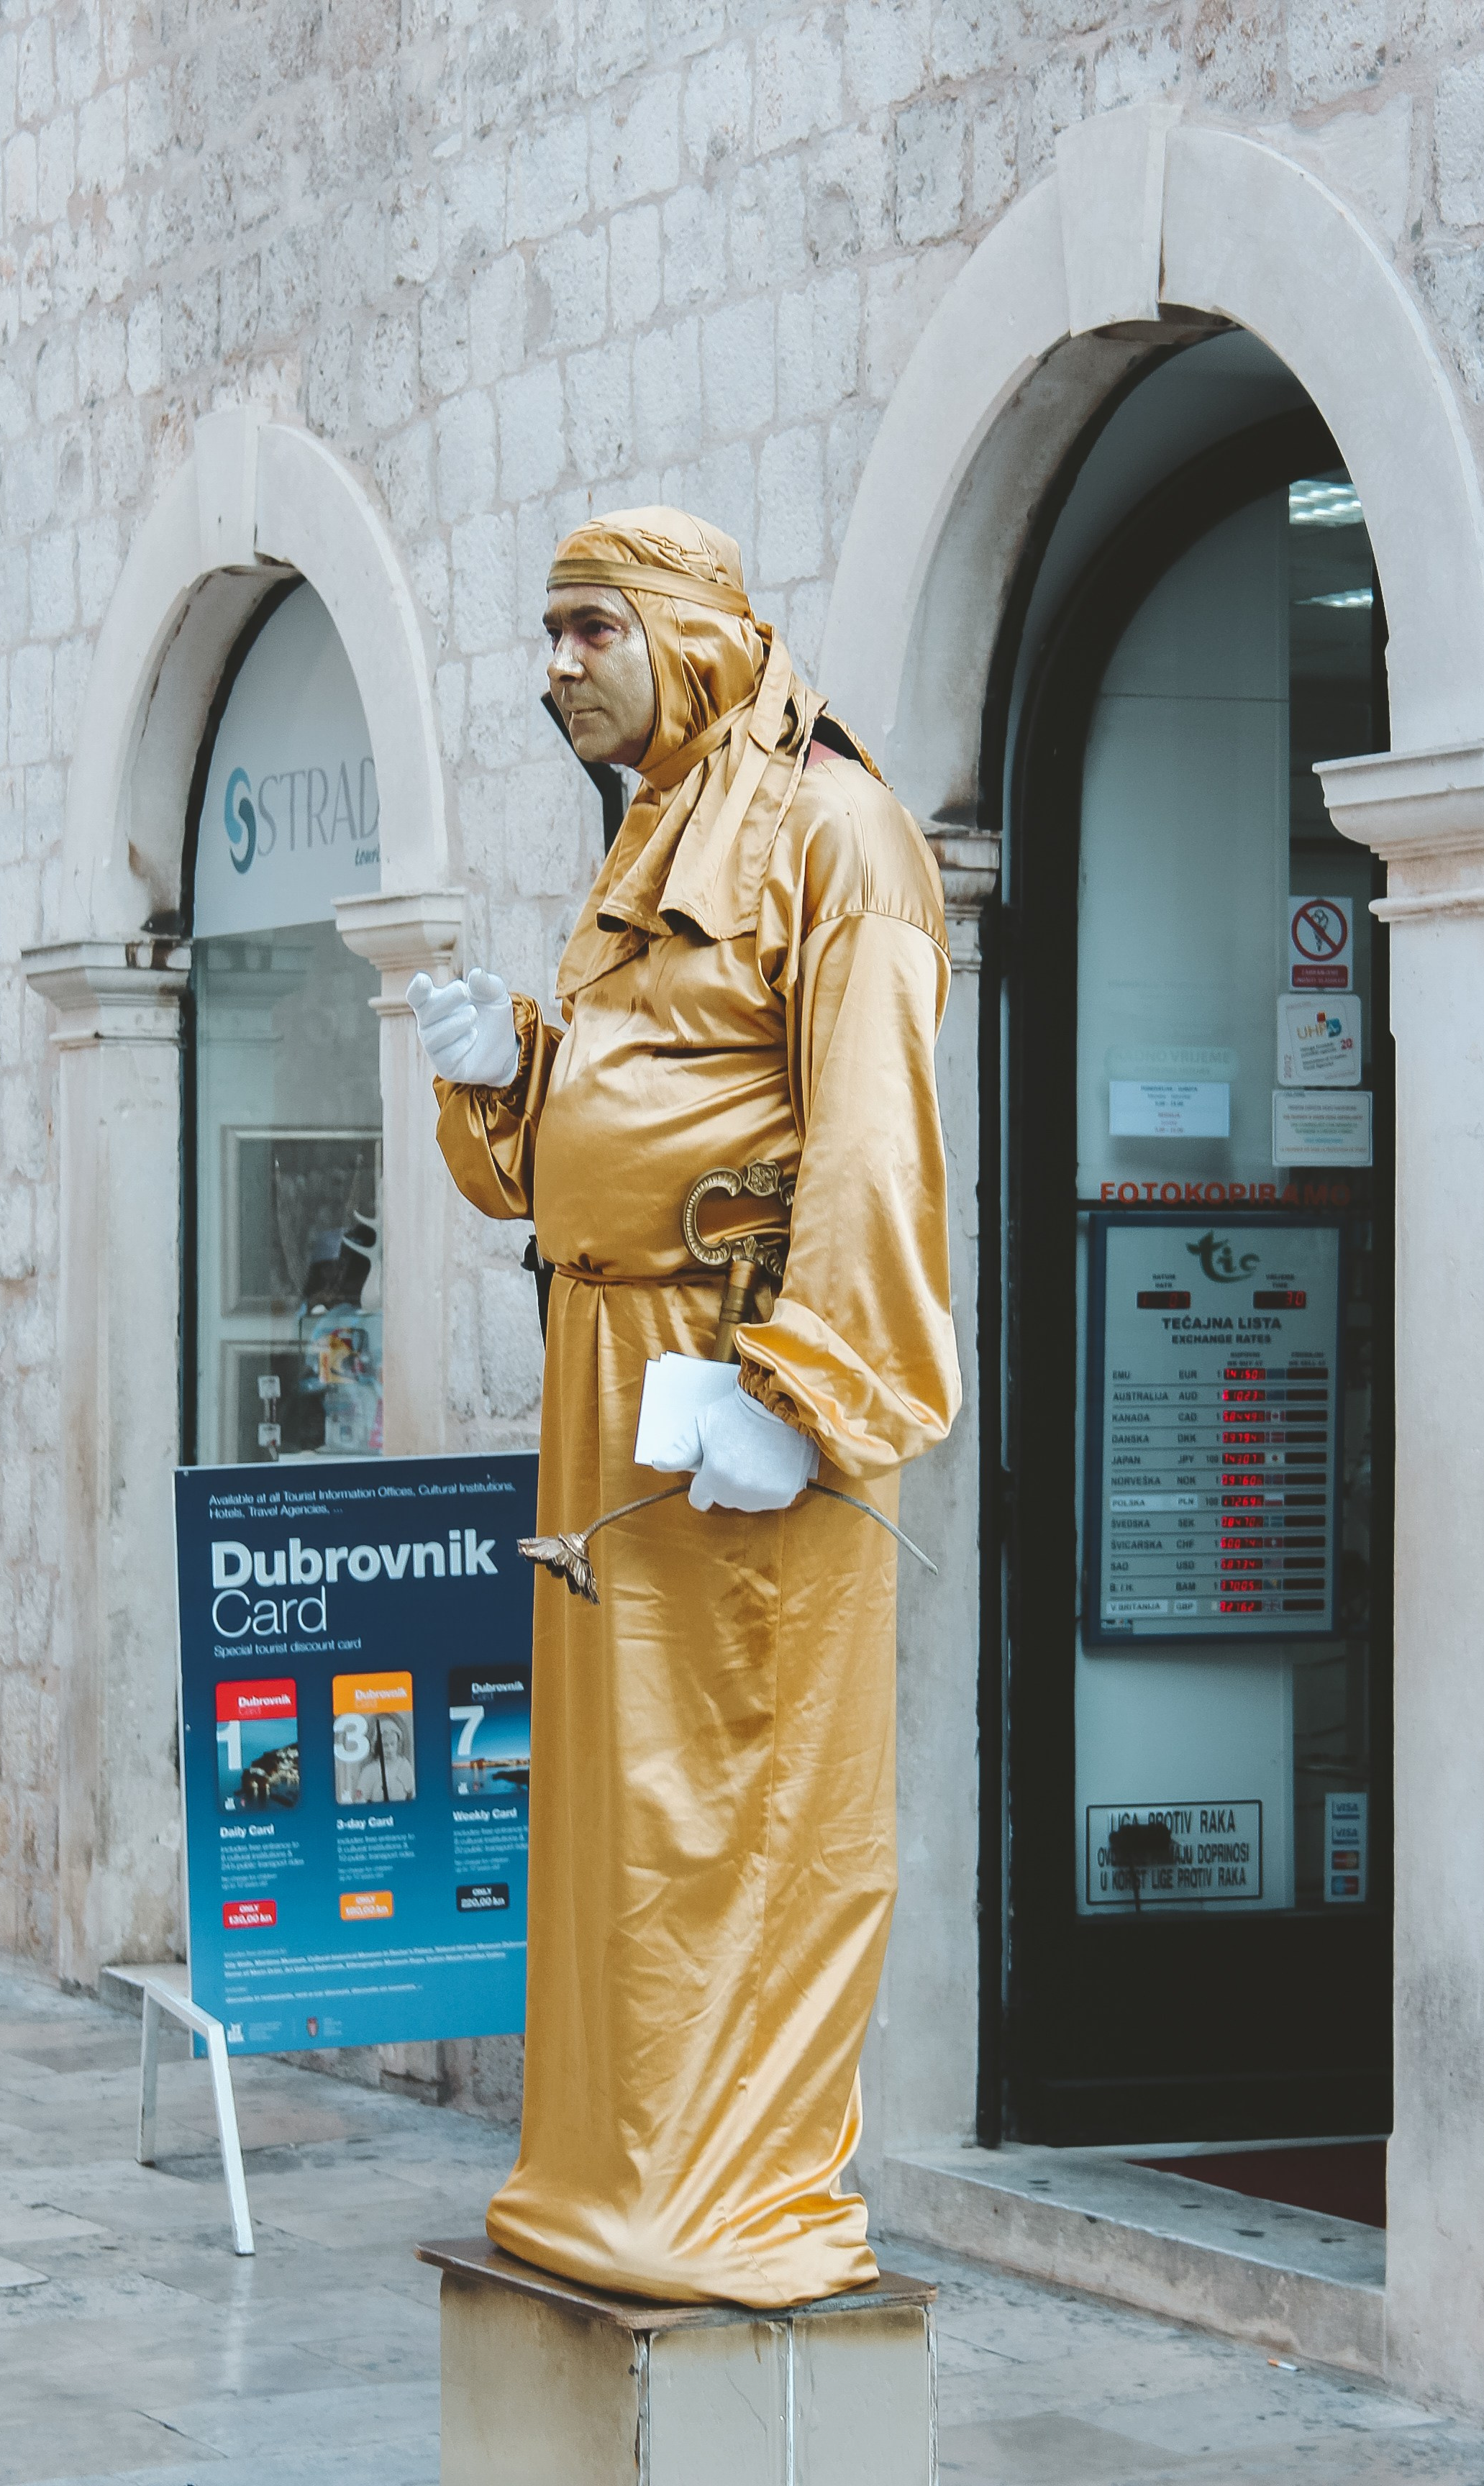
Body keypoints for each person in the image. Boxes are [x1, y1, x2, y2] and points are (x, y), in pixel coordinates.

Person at [408, 507, 960, 2308]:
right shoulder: (653, 827)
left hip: (733, 1391)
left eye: (586, 627)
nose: (553, 665)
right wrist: (518, 1073)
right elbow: (632, 1117)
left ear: (690, 630)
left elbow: (876, 1145)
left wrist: (807, 1392)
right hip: (610, 1380)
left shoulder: (837, 833)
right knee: (622, 1806)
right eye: (547, 630)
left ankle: (733, 2192)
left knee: (744, 1790)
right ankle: (610, 2165)